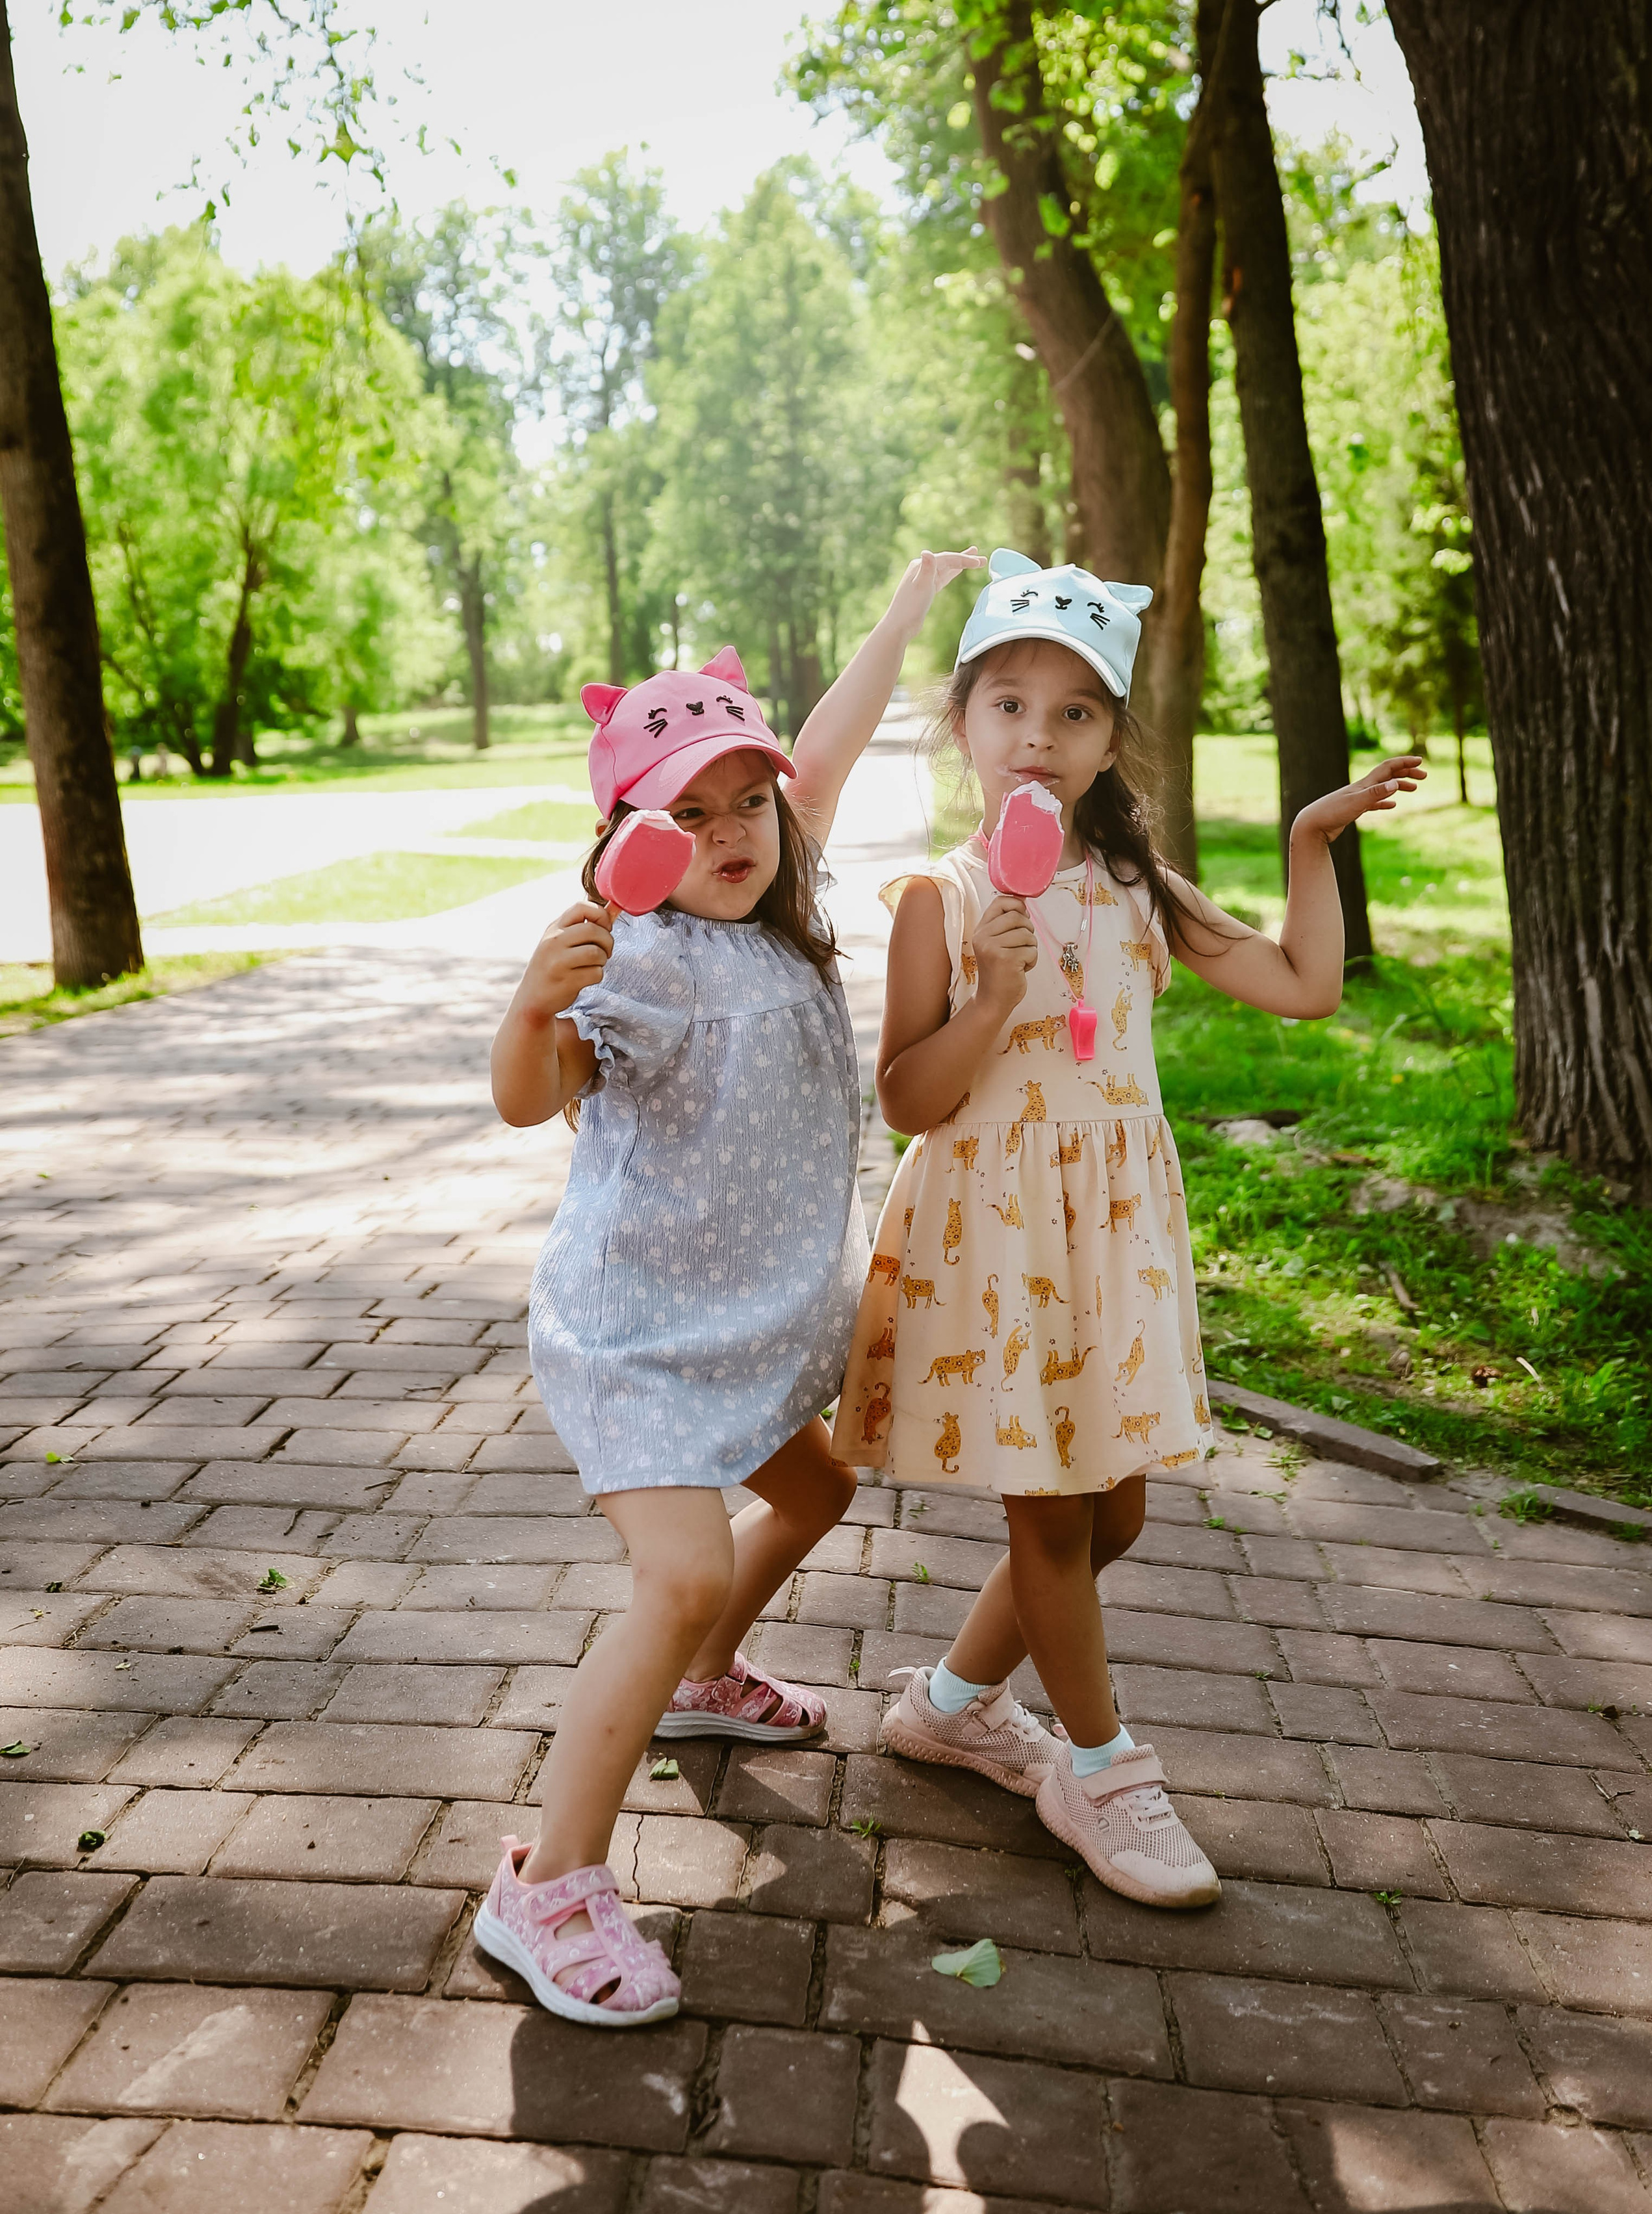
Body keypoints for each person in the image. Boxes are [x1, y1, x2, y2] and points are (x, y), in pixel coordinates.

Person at [834, 548, 1422, 1910]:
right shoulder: (944, 897)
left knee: (1113, 1519)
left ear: (1109, 739)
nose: (1037, 736)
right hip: (998, 1246)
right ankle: (1099, 1773)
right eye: (1007, 704)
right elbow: (908, 1099)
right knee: (1048, 1521)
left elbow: (1301, 987)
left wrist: (1308, 845)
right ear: (964, 723)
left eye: (1073, 711)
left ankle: (950, 1703)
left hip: (1108, 1237)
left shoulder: (1132, 883)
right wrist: (985, 1001)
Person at [476, 548, 985, 2026]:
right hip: (636, 1333)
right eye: (684, 813)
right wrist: (530, 1003)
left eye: (743, 801)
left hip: (756, 1326)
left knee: (818, 1496)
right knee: (683, 1564)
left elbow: (818, 745)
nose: (727, 829)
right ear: (630, 838)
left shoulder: (772, 909)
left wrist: (895, 615)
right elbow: (528, 1098)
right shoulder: (631, 959)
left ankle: (705, 1680)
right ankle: (548, 1880)